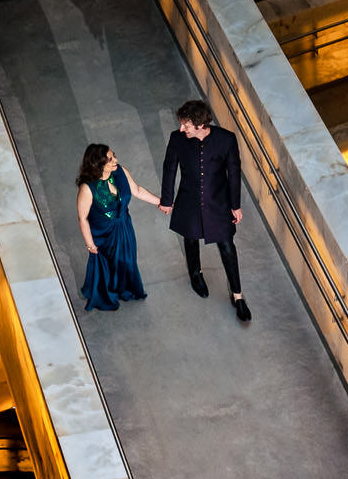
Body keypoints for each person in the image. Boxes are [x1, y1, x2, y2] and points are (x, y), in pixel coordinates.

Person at [159, 98, 251, 323]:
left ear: (200, 124)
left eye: (186, 125)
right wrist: (167, 200)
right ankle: (196, 274)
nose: (182, 129)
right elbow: (169, 169)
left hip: (218, 202)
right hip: (188, 199)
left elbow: (234, 173)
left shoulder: (226, 139)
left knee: (227, 247)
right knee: (190, 239)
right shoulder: (177, 139)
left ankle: (238, 296)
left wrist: (235, 205)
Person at [75, 142, 158, 313]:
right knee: (107, 265)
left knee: (127, 260)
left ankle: (125, 288)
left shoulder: (120, 171)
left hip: (124, 226)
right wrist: (90, 245)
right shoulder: (87, 188)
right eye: (110, 159)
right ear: (98, 164)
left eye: (114, 156)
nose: (116, 161)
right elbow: (82, 218)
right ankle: (106, 292)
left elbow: (137, 190)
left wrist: (161, 203)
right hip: (103, 234)